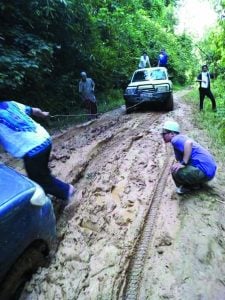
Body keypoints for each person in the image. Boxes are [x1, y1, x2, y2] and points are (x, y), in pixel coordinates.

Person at [0, 100, 75, 204]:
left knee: (38, 180)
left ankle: (67, 191)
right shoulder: (10, 103)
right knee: (39, 172)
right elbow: (34, 110)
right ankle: (48, 193)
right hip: (44, 138)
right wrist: (44, 114)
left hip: (32, 149)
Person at [161, 120, 217, 195]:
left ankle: (188, 186)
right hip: (209, 170)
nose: (162, 136)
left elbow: (189, 143)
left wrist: (184, 162)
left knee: (175, 171)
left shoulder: (175, 139)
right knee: (179, 165)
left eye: (164, 134)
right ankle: (196, 184)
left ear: (171, 134)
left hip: (205, 171)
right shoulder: (181, 138)